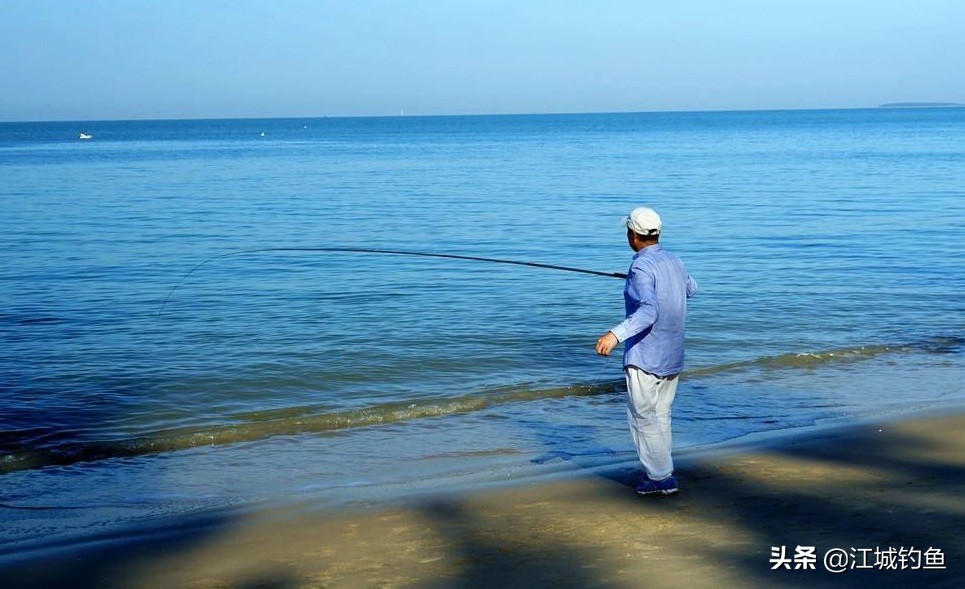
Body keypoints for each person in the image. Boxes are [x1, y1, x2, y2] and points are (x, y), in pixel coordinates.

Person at [595, 207, 697, 496]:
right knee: (660, 414)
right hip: (673, 353)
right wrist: (653, 283)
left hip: (646, 354)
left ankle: (660, 477)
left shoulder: (641, 267)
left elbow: (649, 311)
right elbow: (691, 288)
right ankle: (663, 470)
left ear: (633, 235)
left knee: (642, 417)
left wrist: (614, 335)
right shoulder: (674, 260)